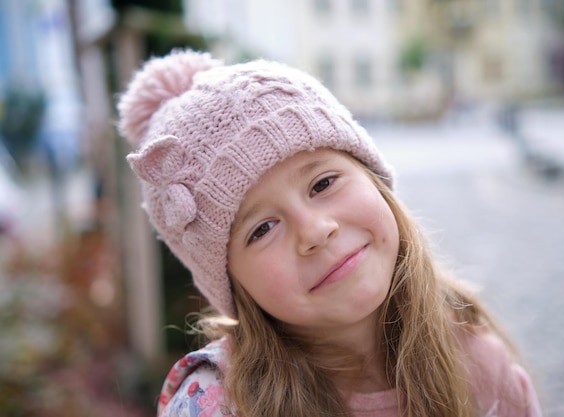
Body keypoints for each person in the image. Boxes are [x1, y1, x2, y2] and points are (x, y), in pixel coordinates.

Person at [117, 49, 542, 417]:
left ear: (372, 177)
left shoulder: (480, 368)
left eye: (323, 184)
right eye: (262, 229)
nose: (316, 232)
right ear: (229, 279)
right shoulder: (217, 404)